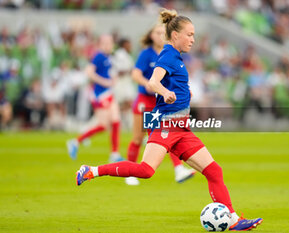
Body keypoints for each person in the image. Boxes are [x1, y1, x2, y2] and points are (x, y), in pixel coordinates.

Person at [75, 10, 263, 231]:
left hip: (181, 128)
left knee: (214, 171)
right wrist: (165, 92)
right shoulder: (167, 56)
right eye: (189, 35)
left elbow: (174, 84)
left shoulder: (175, 57)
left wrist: (184, 94)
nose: (193, 39)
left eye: (194, 35)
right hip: (166, 124)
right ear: (175, 36)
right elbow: (153, 82)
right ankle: (92, 170)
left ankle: (232, 219)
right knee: (146, 170)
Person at [125, 24, 195, 185]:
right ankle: (130, 172)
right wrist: (148, 85)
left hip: (162, 103)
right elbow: (135, 74)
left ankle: (178, 169)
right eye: (157, 33)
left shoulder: (169, 53)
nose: (160, 35)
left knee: (168, 133)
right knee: (138, 138)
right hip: (147, 101)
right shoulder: (146, 54)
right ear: (151, 35)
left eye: (162, 33)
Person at [67, 35, 124, 163]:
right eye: (105, 43)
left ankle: (114, 154)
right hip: (100, 94)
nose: (108, 45)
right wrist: (105, 82)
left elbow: (108, 73)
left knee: (116, 121)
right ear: (100, 44)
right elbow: (89, 72)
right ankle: (75, 141)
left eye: (110, 42)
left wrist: (113, 79)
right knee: (103, 125)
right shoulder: (98, 56)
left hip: (108, 92)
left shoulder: (109, 57)